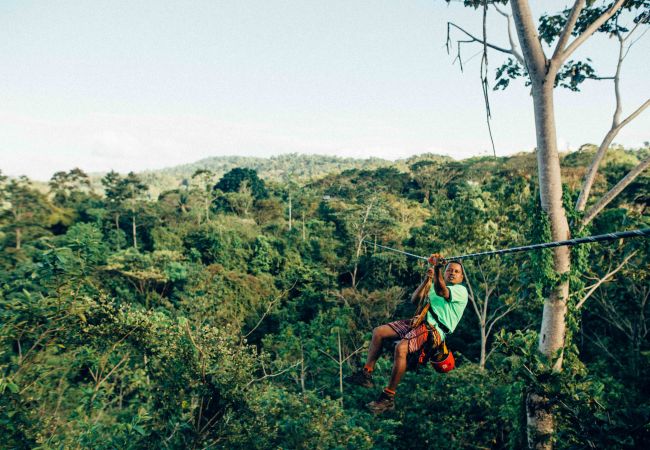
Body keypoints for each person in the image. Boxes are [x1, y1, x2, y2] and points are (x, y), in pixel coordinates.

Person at [344, 253, 468, 414]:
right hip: (418, 322)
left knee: (401, 349)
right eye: (449, 270)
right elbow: (415, 300)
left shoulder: (460, 291)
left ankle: (388, 397)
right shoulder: (436, 284)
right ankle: (366, 373)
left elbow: (442, 291)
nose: (452, 273)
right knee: (379, 332)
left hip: (433, 330)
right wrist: (427, 280)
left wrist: (438, 267)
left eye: (456, 271)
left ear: (461, 277)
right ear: (444, 273)